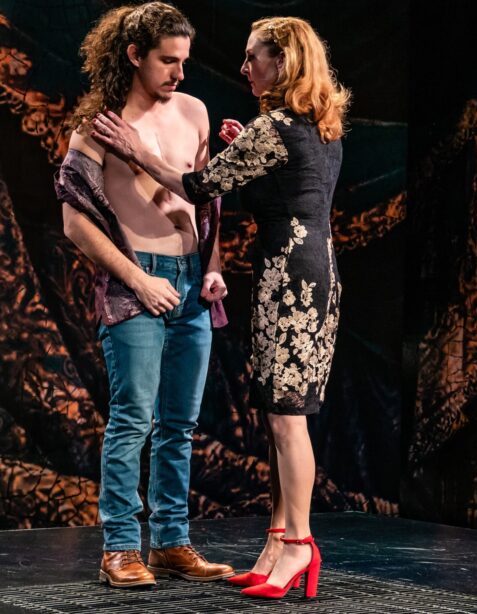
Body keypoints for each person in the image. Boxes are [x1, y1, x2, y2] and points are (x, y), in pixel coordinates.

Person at [91, 15, 349, 600]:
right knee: (280, 412)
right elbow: (283, 188)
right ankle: (278, 541)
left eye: (253, 56)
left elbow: (197, 186)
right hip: (313, 269)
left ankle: (299, 547)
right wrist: (243, 153)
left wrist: (137, 152)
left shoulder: (275, 124)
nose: (244, 67)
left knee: (287, 418)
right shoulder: (316, 124)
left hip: (289, 276)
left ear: (281, 62)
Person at [54, 2, 234, 587]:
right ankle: (121, 549)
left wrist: (211, 266)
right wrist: (137, 279)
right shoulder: (99, 124)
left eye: (184, 60)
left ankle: (173, 542)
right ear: (134, 55)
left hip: (190, 283)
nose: (179, 73)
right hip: (138, 282)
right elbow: (74, 222)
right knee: (134, 419)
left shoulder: (196, 111)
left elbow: (207, 201)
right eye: (167, 60)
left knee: (179, 424)